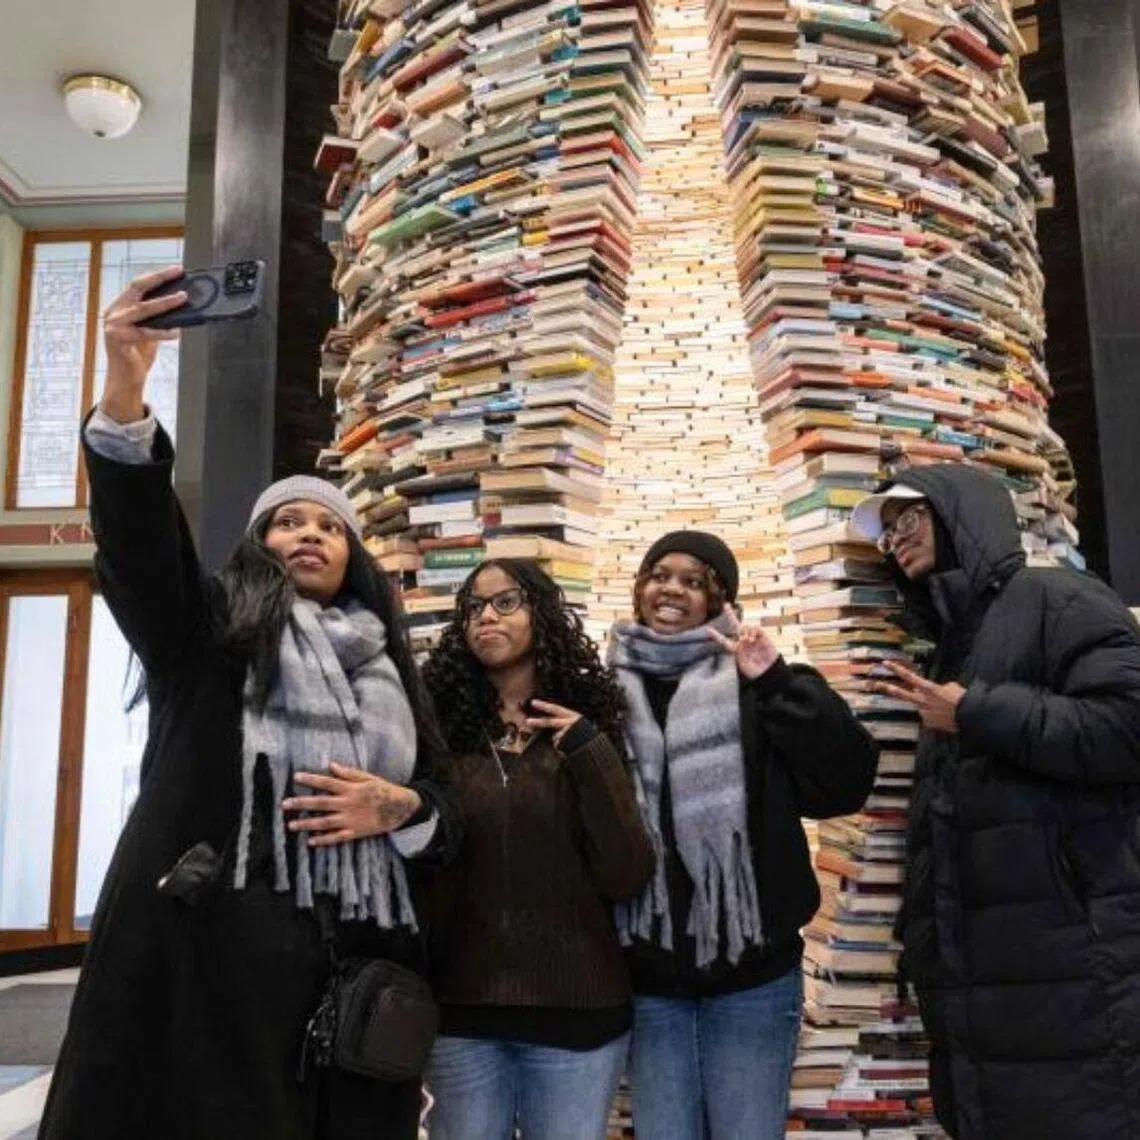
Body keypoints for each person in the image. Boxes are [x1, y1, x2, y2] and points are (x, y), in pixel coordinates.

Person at [39, 267, 459, 1140]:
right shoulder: (208, 635)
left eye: (328, 525)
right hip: (209, 971)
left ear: (354, 557)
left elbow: (448, 820)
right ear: (258, 547)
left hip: (350, 980)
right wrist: (125, 384)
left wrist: (403, 806)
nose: (308, 533)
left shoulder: (390, 670)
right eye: (285, 522)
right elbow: (140, 544)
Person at [852, 463, 1140, 1140]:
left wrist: (978, 713)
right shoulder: (950, 650)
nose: (896, 537)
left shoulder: (1055, 599)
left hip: (1074, 978)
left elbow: (1129, 726)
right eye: (886, 530)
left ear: (963, 515)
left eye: (909, 517)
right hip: (988, 994)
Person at [609, 531, 879, 1140]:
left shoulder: (760, 687)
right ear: (640, 589)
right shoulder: (604, 693)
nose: (672, 587)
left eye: (694, 579)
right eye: (660, 574)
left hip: (752, 978)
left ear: (719, 600)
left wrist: (774, 680)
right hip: (649, 979)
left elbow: (844, 782)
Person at [418, 559, 655, 1140]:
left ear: (541, 615)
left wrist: (588, 748)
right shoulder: (438, 733)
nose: (485, 617)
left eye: (505, 602)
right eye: (473, 607)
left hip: (577, 1012)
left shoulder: (591, 726)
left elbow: (626, 873)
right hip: (459, 1013)